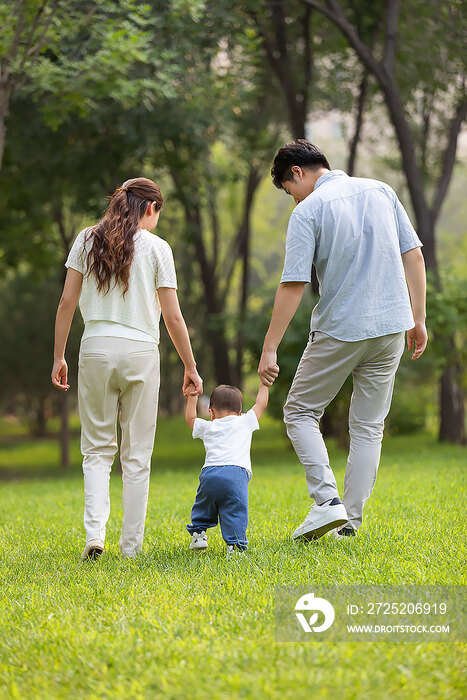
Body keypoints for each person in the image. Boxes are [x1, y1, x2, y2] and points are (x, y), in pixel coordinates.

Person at [258, 140, 427, 541]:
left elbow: (294, 283)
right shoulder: (381, 190)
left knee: (299, 411)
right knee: (369, 426)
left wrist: (270, 347)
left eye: (287, 189)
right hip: (391, 325)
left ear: (297, 173)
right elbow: (414, 255)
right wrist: (418, 319)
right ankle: (349, 522)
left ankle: (327, 503)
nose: (291, 198)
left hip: (341, 327)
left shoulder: (308, 211)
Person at [51, 177, 202, 560]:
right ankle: (131, 548)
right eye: (157, 214)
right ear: (150, 208)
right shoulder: (157, 248)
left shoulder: (87, 239)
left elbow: (67, 302)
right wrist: (190, 366)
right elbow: (173, 317)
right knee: (136, 457)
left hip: (96, 349)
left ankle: (94, 537)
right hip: (140, 351)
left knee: (97, 451)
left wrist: (59, 356)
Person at [185, 382, 269, 557]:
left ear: (211, 413)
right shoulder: (245, 421)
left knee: (203, 505)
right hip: (236, 475)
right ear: (239, 412)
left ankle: (199, 534)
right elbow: (261, 404)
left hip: (210, 474)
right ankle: (235, 546)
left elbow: (190, 420)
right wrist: (263, 383)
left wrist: (192, 397)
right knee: (236, 511)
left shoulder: (209, 426)